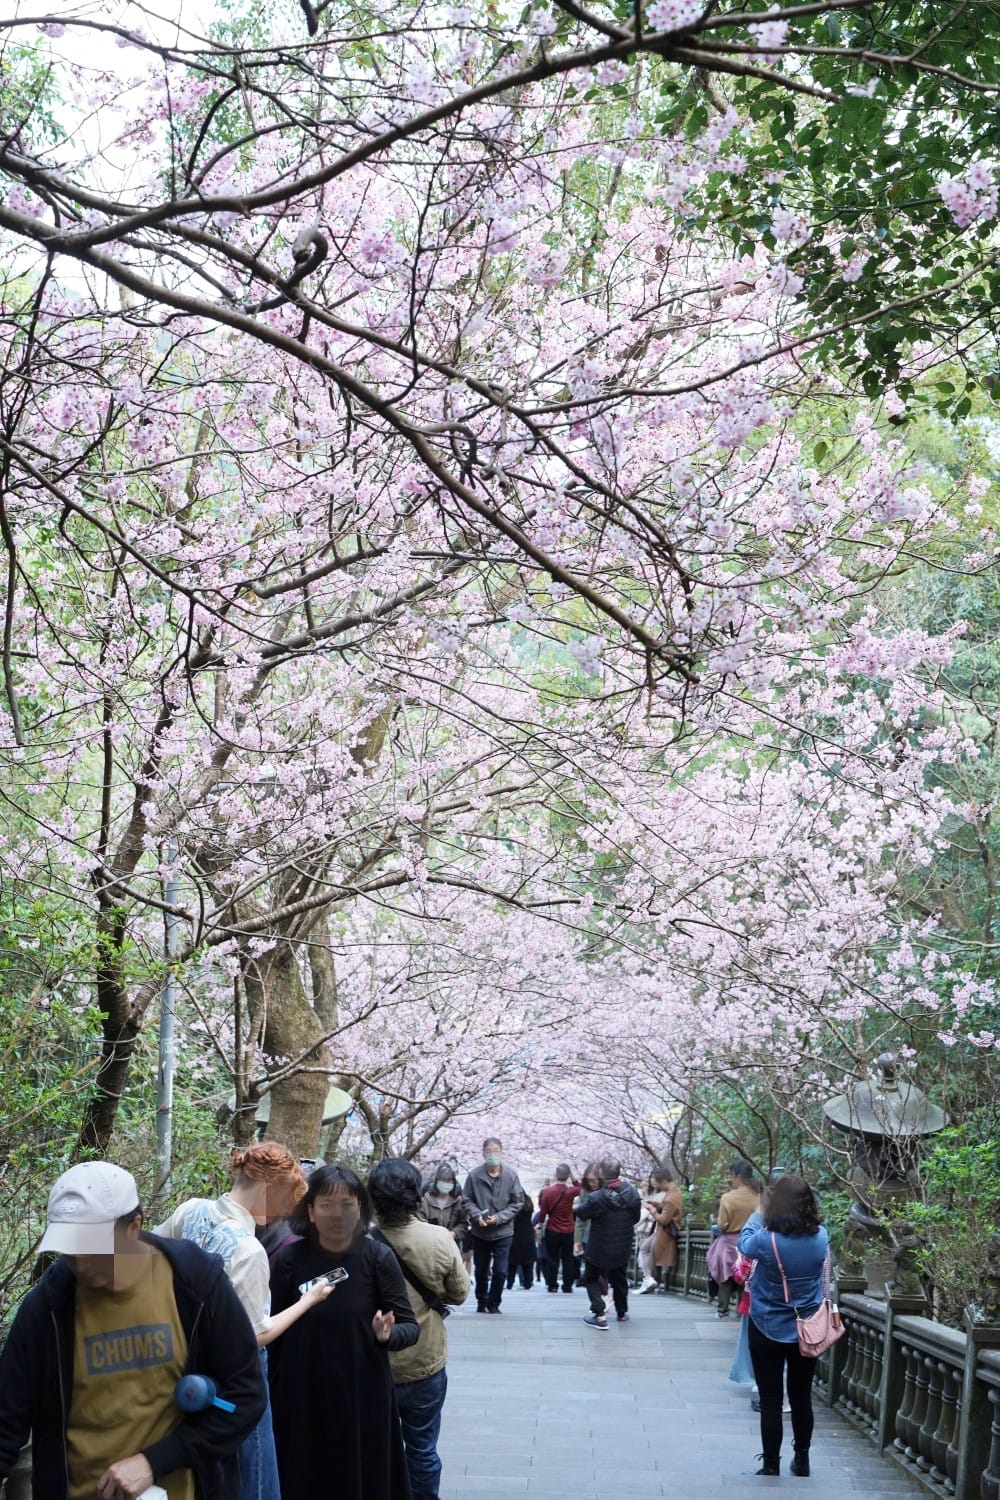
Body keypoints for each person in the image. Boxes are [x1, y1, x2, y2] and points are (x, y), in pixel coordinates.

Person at [0, 1160, 266, 1500]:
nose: (80, 1264)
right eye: (70, 1250)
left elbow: (244, 1396)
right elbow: (7, 1420)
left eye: (95, 1248)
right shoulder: (48, 1308)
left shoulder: (194, 1284)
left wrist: (155, 1461)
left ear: (134, 1226)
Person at [155, 1143, 333, 1500]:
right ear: (271, 1187)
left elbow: (150, 1259)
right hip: (235, 1379)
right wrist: (308, 1301)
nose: (287, 1209)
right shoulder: (248, 1250)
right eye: (287, 1197)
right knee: (254, 1477)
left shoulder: (191, 1211)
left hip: (182, 1364)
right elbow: (254, 1336)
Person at [268, 1164, 420, 1500]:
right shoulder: (290, 1259)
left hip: (361, 1394)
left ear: (360, 1210)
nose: (337, 1214)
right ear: (310, 1210)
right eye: (326, 1205)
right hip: (301, 1392)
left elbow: (410, 1327)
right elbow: (272, 1325)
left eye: (347, 1205)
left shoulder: (377, 1257)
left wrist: (387, 1335)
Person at [368, 1159, 471, 1500]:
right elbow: (459, 1293)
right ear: (417, 1194)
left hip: (372, 1364)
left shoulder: (357, 1242)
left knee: (374, 1448)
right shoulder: (438, 1239)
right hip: (424, 1362)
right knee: (422, 1449)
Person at [738, 1174, 830, 1478]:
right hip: (807, 1327)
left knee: (771, 1400)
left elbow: (744, 1244)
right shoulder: (821, 1238)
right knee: (801, 1396)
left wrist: (758, 1213)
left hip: (766, 1324)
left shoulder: (766, 1240)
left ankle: (771, 1463)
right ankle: (802, 1459)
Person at [574, 1159, 641, 1328]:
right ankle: (622, 1312)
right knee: (619, 1278)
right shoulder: (632, 1193)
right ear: (619, 1172)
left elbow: (581, 1213)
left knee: (591, 1278)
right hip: (623, 1244)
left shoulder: (596, 1197)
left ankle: (599, 1315)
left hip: (599, 1246)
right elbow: (636, 1218)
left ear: (602, 1173)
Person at [460, 1138, 525, 1313]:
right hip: (480, 1232)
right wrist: (476, 1215)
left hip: (503, 1231)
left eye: (496, 1150)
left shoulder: (511, 1175)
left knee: (500, 1270)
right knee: (481, 1269)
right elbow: (466, 1199)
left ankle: (494, 1302)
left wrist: (499, 1218)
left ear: (502, 1152)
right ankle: (482, 1301)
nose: (492, 1154)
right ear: (483, 1153)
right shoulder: (474, 1176)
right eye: (489, 1151)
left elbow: (518, 1202)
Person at [706, 1160, 760, 1318]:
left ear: (737, 1176)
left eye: (731, 1176)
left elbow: (722, 1225)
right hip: (749, 1242)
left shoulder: (727, 1198)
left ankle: (722, 1310)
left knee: (726, 1278)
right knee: (745, 1278)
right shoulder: (758, 1197)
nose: (731, 1179)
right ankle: (741, 1311)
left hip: (728, 1243)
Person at [638, 1169, 683, 1294]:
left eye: (658, 1183)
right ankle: (648, 1279)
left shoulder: (671, 1197)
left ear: (663, 1181)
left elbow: (664, 1219)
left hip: (665, 1232)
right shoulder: (674, 1193)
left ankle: (649, 1280)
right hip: (662, 1231)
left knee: (649, 1252)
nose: (657, 1186)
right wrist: (658, 1206)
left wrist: (652, 1210)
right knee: (647, 1250)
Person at [537, 1165, 580, 1294]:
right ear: (567, 1176)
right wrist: (574, 1178)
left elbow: (543, 1211)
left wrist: (540, 1225)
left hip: (552, 1229)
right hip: (568, 1229)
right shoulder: (571, 1191)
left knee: (552, 1258)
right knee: (568, 1259)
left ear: (556, 1176)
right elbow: (582, 1189)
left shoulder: (547, 1191)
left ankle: (552, 1285)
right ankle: (567, 1286)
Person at [420, 1162, 466, 1243]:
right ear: (436, 1181)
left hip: (452, 1243)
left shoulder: (458, 1202)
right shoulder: (426, 1201)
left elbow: (464, 1223)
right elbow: (420, 1221)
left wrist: (454, 1233)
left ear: (453, 1183)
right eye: (443, 1180)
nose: (446, 1183)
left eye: (449, 1181)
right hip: (430, 1242)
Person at [505, 1194, 537, 1290]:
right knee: (527, 1262)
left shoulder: (512, 1204)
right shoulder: (528, 1205)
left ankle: (509, 1283)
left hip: (514, 1234)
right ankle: (527, 1283)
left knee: (512, 1262)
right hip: (527, 1234)